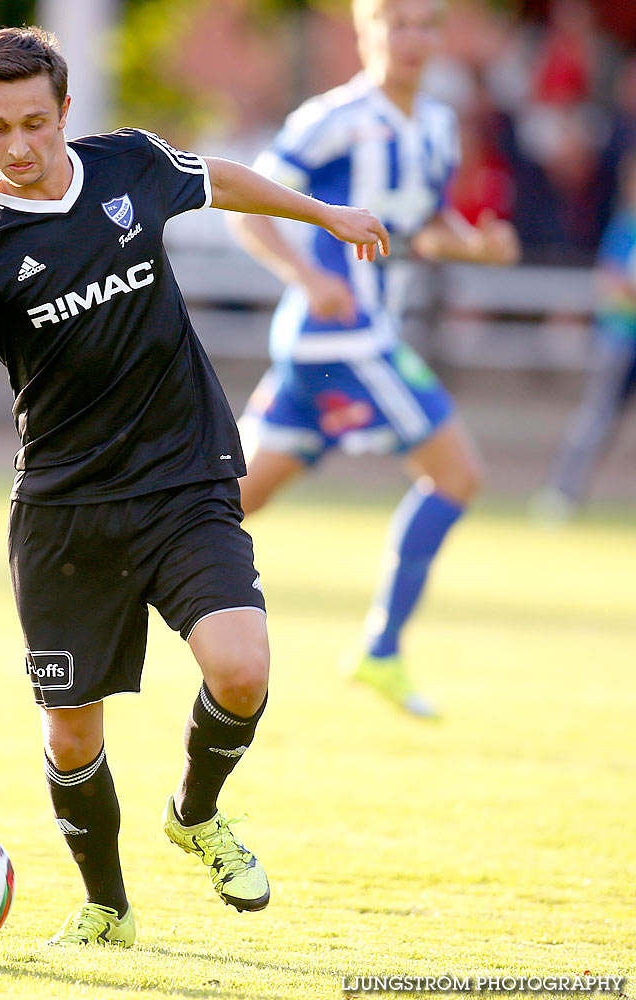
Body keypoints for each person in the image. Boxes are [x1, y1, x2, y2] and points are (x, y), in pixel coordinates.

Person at [0, 26, 389, 948]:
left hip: (184, 477)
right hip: (64, 511)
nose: (17, 147)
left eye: (34, 123)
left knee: (241, 668)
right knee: (71, 741)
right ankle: (108, 908)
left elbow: (220, 178)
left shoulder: (128, 166)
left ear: (64, 113)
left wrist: (326, 216)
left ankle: (198, 812)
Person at [227, 0, 520, 719]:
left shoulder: (439, 125)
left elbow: (423, 228)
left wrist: (477, 244)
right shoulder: (333, 117)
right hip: (345, 338)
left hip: (337, 344)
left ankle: (120, 569)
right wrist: (309, 276)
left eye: (426, 24)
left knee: (230, 501)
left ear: (441, 34)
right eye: (397, 23)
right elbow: (243, 204)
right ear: (365, 32)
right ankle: (382, 649)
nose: (412, 39)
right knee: (458, 473)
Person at [532, 148, 636, 521]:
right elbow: (610, 285)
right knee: (595, 420)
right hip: (621, 340)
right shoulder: (626, 227)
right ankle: (562, 494)